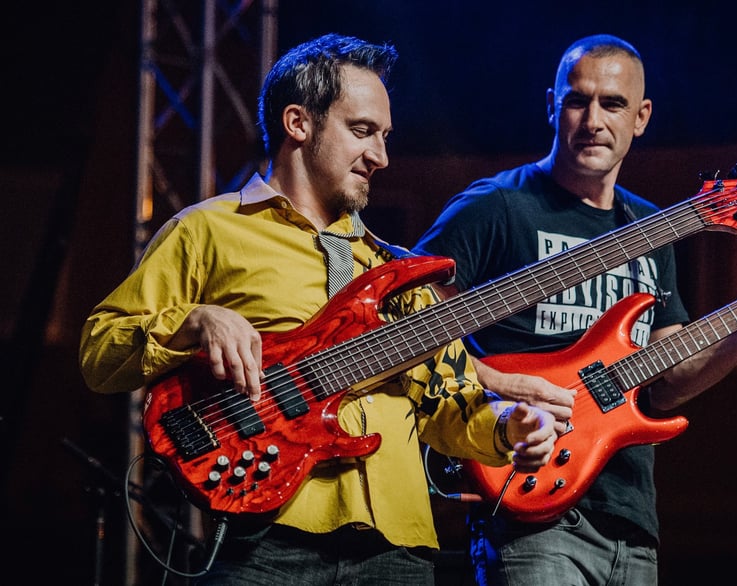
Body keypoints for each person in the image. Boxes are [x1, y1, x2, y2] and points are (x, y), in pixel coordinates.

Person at [79, 33, 557, 585]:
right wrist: (195, 321)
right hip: (267, 540)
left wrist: (510, 425)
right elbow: (99, 351)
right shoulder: (208, 230)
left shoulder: (397, 270)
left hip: (397, 550)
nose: (381, 156)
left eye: (384, 137)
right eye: (362, 131)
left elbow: (450, 410)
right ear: (298, 123)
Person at [412, 34, 737, 585]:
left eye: (613, 103)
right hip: (528, 507)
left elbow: (665, 383)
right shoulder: (496, 207)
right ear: (551, 105)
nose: (593, 120)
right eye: (578, 100)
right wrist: (501, 383)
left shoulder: (652, 229)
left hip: (630, 518)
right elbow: (407, 327)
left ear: (641, 117)